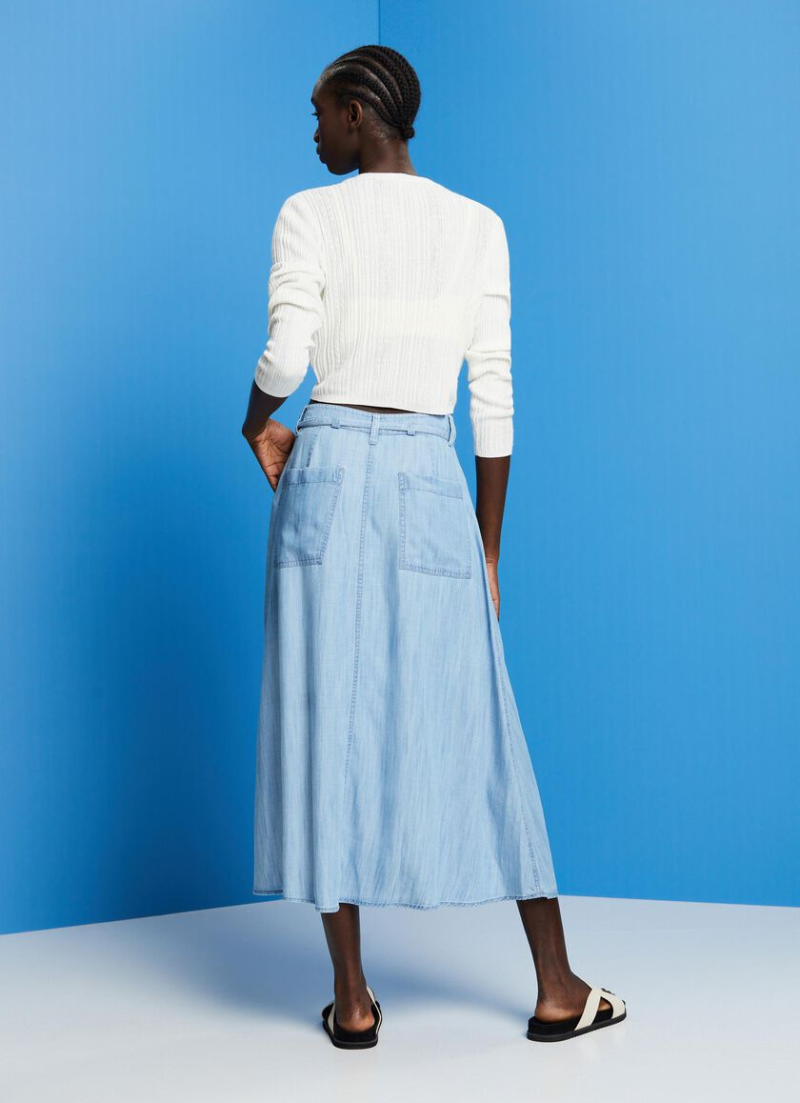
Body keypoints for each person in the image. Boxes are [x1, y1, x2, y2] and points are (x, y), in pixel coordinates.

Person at [241, 45, 626, 1049]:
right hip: (427, 471)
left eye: (320, 111)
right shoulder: (477, 226)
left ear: (359, 111)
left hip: (327, 463)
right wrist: (486, 547)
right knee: (482, 722)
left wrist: (252, 421)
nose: (312, 131)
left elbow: (286, 355)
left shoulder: (307, 214)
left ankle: (353, 1000)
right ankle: (555, 984)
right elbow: (492, 396)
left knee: (324, 717)